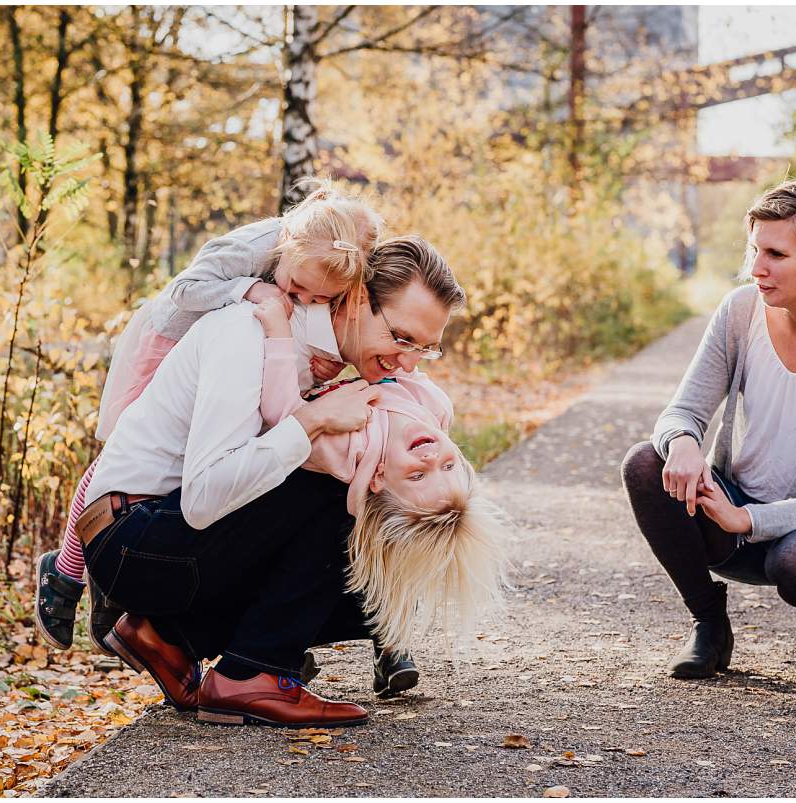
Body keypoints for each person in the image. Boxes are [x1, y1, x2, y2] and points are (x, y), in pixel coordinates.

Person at [79, 236, 468, 727]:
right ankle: (252, 674)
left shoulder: (323, 355)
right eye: (401, 337)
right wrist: (313, 423)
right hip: (136, 540)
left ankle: (172, 636)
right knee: (342, 490)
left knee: (378, 584)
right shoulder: (248, 332)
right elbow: (202, 500)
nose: (408, 360)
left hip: (178, 544)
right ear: (352, 299)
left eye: (425, 349)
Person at [34, 182, 383, 654]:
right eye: (297, 287)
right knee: (122, 454)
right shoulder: (260, 245)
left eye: (316, 299)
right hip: (170, 341)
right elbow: (184, 290)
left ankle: (126, 593)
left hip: (222, 351)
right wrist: (253, 290)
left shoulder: (320, 266)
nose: (298, 298)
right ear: (291, 246)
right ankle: (67, 571)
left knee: (199, 463)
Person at [620, 179, 796, 682]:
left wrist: (744, 520)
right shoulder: (741, 310)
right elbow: (682, 412)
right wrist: (682, 444)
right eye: (754, 249)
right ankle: (709, 624)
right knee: (645, 463)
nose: (756, 268)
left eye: (775, 253)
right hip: (736, 512)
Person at [253, 294, 508, 666]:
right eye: (449, 466)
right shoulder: (435, 410)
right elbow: (402, 371)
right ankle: (385, 646)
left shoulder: (352, 446)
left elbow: (284, 415)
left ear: (378, 479)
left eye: (418, 475)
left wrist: (278, 335)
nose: (432, 457)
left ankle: (374, 641)